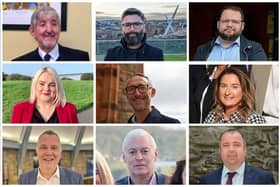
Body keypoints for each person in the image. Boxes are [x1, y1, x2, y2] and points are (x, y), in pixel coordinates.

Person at [13, 6, 89, 61]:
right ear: (32, 31)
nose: (49, 30)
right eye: (43, 24)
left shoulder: (81, 58)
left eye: (54, 24)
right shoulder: (18, 63)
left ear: (59, 28)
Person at [199, 129, 275, 184]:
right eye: (226, 145)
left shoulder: (264, 179)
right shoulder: (206, 181)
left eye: (236, 145)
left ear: (245, 150)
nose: (231, 149)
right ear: (220, 151)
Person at [193, 6, 266, 61]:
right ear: (218, 24)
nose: (229, 25)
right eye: (225, 21)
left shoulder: (255, 49)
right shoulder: (202, 50)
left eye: (235, 22)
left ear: (242, 26)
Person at [11, 67, 78, 123]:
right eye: (42, 84)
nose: (46, 89)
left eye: (52, 85)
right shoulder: (19, 109)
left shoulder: (70, 109)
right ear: (35, 85)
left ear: (57, 87)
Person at [19, 130, 83, 184]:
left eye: (54, 148)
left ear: (60, 153)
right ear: (37, 152)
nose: (49, 153)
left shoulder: (76, 180)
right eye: (43, 147)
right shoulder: (24, 180)